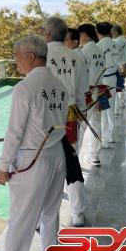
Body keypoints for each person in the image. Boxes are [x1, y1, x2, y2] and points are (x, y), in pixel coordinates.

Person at [0, 35, 68, 251]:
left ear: (30, 56)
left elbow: (14, 132)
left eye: (17, 56)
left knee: (21, 218)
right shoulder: (60, 85)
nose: (16, 61)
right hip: (57, 155)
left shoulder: (24, 88)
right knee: (50, 214)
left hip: (32, 160)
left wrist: (3, 166)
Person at [41, 17, 85, 227]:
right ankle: (78, 213)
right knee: (71, 161)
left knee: (44, 163)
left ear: (48, 34)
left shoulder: (41, 56)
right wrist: (81, 116)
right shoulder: (76, 57)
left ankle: (42, 215)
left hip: (46, 116)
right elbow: (82, 91)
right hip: (70, 113)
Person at [77, 24, 106, 163]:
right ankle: (95, 156)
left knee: (81, 127)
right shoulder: (100, 50)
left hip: (88, 93)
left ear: (84, 35)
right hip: (99, 91)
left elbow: (81, 74)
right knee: (96, 124)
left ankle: (75, 159)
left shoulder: (84, 52)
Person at [96, 21, 120, 145]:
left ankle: (105, 138)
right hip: (113, 78)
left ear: (98, 32)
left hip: (102, 80)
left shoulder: (97, 46)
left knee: (103, 108)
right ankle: (111, 134)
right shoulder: (116, 44)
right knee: (111, 105)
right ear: (110, 32)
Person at [112, 25, 126, 111]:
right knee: (120, 84)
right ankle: (121, 103)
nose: (111, 33)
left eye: (112, 31)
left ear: (116, 32)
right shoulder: (123, 39)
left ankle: (118, 106)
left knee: (118, 85)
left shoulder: (118, 41)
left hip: (120, 64)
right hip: (123, 63)